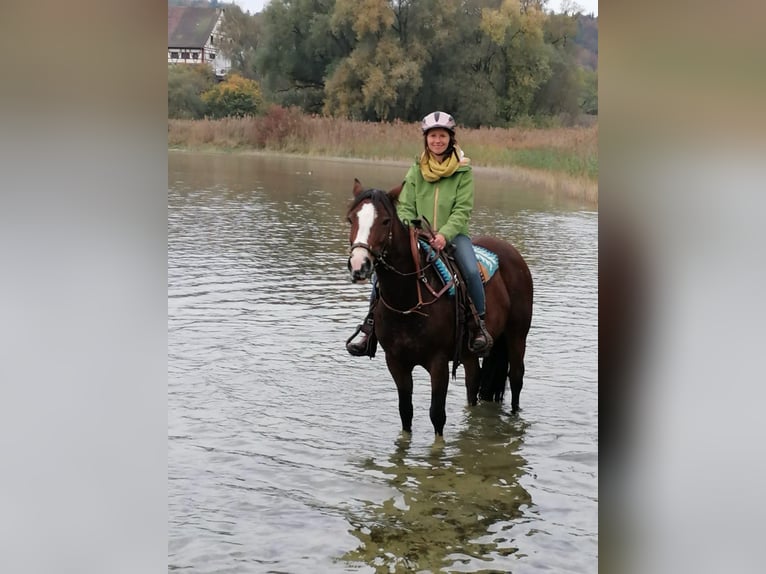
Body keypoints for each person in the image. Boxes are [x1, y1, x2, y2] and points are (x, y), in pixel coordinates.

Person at [346, 111, 492, 357]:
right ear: (426, 139)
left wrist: (444, 234)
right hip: (419, 235)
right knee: (380, 274)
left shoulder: (463, 171)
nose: (437, 141)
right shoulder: (416, 169)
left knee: (469, 269)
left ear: (450, 139)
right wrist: (413, 229)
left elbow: (462, 210)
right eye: (433, 136)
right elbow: (404, 206)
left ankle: (478, 326)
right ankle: (370, 328)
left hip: (453, 236)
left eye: (442, 136)